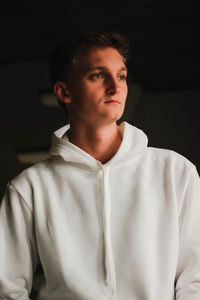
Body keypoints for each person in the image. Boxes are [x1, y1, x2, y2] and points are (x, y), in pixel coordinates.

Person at [0, 31, 200, 300]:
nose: (115, 88)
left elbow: (195, 276)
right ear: (64, 91)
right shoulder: (29, 188)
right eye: (98, 75)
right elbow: (6, 285)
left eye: (121, 76)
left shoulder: (175, 171)